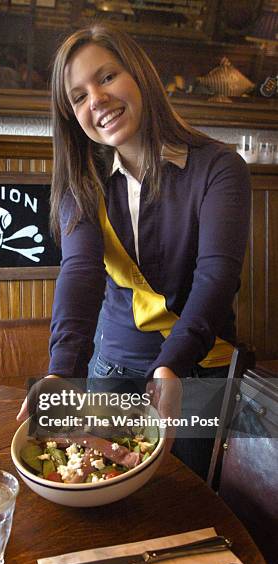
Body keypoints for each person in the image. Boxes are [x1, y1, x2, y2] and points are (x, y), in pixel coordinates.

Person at [17, 23, 251, 479]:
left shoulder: (219, 167)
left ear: (140, 75)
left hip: (200, 370)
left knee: (189, 500)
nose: (96, 100)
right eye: (78, 97)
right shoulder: (82, 181)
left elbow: (216, 277)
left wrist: (171, 368)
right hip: (112, 367)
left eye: (106, 78)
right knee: (104, 484)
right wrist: (62, 371)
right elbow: (81, 272)